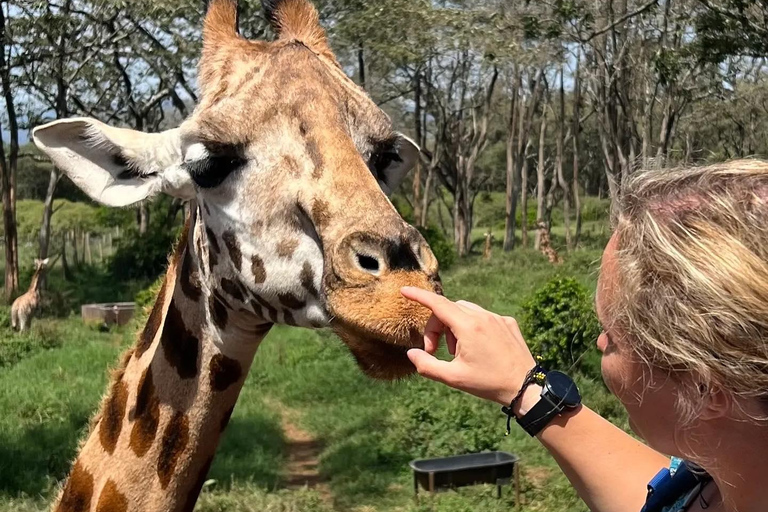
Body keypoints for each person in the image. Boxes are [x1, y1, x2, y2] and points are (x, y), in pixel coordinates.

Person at [402, 160, 768, 512]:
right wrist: (523, 385)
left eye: (612, 335)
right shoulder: (725, 477)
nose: (600, 343)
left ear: (703, 389)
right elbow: (655, 497)